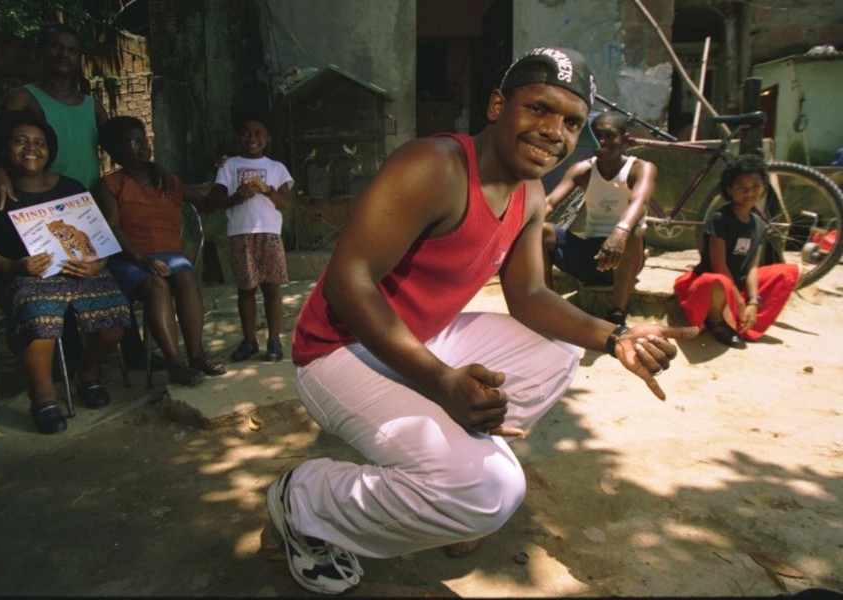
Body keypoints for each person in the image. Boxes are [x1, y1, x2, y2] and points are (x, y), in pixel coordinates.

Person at [265, 47, 697, 595]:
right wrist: (441, 381)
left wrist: (617, 338)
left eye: (571, 122)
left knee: (559, 349)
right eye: (539, 109)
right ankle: (301, 497)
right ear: (498, 105)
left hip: (417, 336)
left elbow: (532, 297)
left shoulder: (531, 193)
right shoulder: (434, 166)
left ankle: (452, 461)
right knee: (489, 492)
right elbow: (348, 283)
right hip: (336, 351)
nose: (553, 131)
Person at [0, 22, 165, 372]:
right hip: (40, 206)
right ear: (41, 51)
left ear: (78, 58)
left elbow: (119, 144)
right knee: (56, 278)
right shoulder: (23, 97)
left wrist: (151, 168)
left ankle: (132, 351)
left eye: (71, 50)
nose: (63, 54)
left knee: (104, 273)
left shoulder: (90, 105)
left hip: (87, 204)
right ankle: (68, 362)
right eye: (56, 47)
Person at [0, 111, 130, 434]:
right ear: (4, 148)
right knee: (38, 314)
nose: (30, 148)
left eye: (38, 142)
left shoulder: (70, 188)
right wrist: (11, 265)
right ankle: (43, 397)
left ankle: (87, 375)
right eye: (20, 141)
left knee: (115, 312)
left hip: (78, 271)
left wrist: (97, 263)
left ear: (49, 150)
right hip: (21, 275)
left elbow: (98, 239)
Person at [95, 116, 227, 386]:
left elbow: (205, 204)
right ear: (115, 152)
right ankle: (175, 364)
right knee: (157, 285)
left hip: (169, 256)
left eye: (145, 141)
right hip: (129, 259)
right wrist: (143, 260)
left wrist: (224, 176)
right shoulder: (109, 185)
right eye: (134, 143)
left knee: (186, 277)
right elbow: (111, 229)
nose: (144, 148)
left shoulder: (167, 181)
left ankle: (196, 356)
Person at [542, 111, 657, 326]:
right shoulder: (582, 170)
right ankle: (546, 302)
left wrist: (619, 232)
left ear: (625, 139)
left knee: (636, 231)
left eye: (610, 136)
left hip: (627, 255)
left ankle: (617, 312)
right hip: (591, 256)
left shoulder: (641, 169)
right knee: (541, 230)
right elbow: (549, 203)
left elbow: (639, 202)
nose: (602, 142)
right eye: (596, 136)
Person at [673, 153, 801, 347]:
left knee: (794, 272)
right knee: (718, 281)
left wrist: (753, 301)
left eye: (755, 187)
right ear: (729, 189)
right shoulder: (720, 219)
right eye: (741, 187)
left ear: (764, 188)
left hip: (738, 285)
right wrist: (738, 301)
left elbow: (752, 267)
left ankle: (744, 319)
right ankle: (716, 322)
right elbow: (719, 265)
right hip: (713, 285)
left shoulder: (759, 224)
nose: (749, 193)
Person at [205, 114, 294, 363]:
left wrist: (267, 190)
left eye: (258, 134)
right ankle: (249, 340)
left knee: (271, 288)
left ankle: (274, 340)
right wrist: (236, 197)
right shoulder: (229, 165)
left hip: (269, 234)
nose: (252, 138)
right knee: (246, 289)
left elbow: (286, 203)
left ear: (268, 139)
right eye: (246, 133)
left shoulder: (277, 168)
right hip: (240, 234)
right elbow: (213, 200)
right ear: (238, 137)